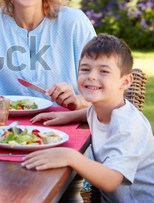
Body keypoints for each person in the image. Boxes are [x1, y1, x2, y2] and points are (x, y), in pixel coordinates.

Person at [23, 34, 154, 202]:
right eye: (85, 69)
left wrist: (71, 156)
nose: (91, 76)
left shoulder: (126, 128)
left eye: (104, 71)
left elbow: (111, 180)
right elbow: (90, 112)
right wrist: (67, 116)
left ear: (125, 81)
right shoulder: (102, 107)